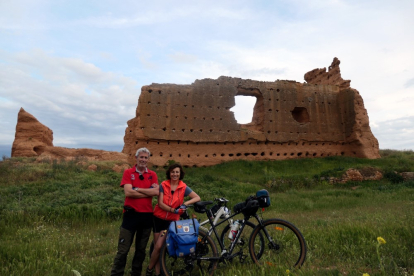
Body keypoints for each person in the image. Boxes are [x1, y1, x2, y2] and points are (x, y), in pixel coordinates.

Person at [111, 147, 160, 276]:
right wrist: (147, 191)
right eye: (141, 157)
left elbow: (156, 192)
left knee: (141, 249)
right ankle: (116, 273)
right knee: (123, 249)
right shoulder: (128, 172)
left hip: (146, 216)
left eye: (145, 157)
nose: (143, 160)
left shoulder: (152, 175)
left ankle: (136, 273)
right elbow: (128, 192)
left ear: (148, 160)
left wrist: (136, 189)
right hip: (131, 215)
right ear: (136, 158)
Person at [145, 163, 201, 276]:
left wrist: (185, 204)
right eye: (172, 172)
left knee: (160, 245)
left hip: (170, 222)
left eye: (177, 172)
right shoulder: (163, 185)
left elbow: (197, 197)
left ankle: (149, 269)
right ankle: (155, 272)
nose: (175, 174)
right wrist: (173, 210)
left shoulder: (183, 187)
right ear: (169, 173)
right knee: (157, 248)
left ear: (180, 174)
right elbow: (160, 203)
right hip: (158, 218)